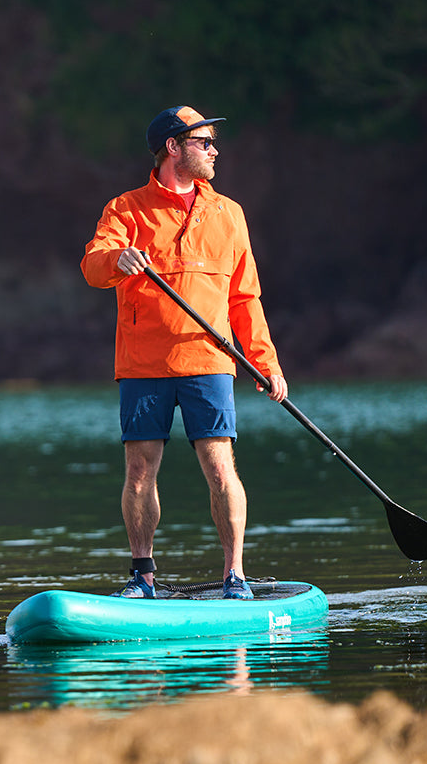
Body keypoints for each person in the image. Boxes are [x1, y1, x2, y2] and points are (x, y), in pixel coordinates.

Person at [80, 105, 288, 600]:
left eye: (213, 142)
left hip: (210, 363)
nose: (214, 149)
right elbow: (92, 266)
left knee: (221, 467)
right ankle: (142, 576)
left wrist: (265, 363)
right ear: (173, 147)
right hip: (144, 364)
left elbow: (245, 298)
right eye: (204, 141)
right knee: (139, 470)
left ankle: (234, 576)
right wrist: (117, 258)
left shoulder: (228, 213)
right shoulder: (125, 209)